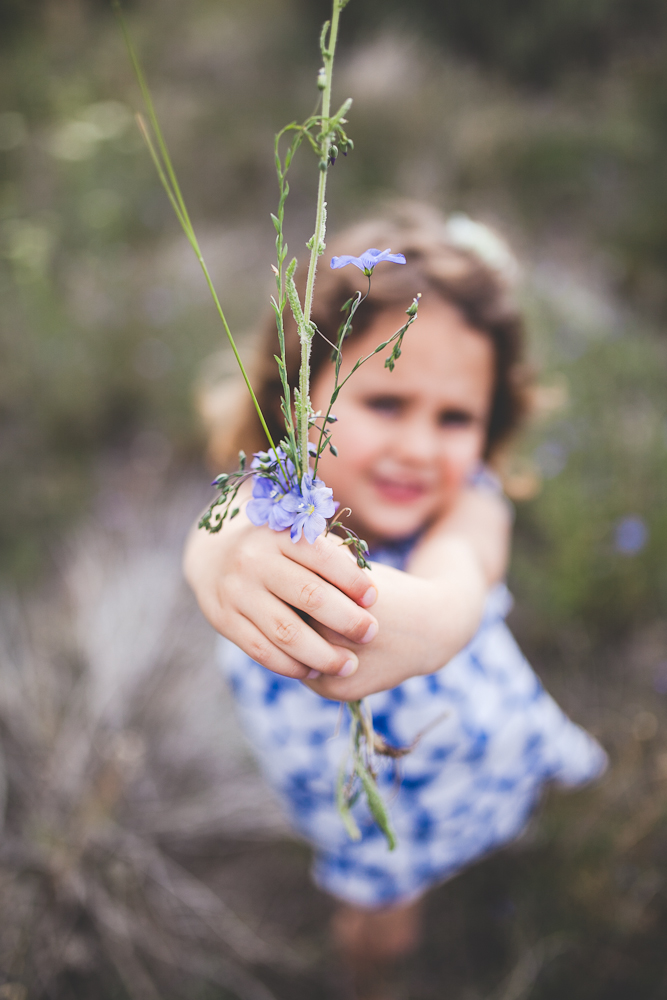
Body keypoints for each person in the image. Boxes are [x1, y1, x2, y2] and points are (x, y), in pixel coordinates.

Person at [184, 203, 607, 1000]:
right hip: (367, 801)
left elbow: (457, 582)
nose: (418, 448)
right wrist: (220, 562)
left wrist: (444, 619)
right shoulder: (273, 501)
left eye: (454, 418)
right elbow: (218, 539)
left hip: (489, 745)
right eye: (385, 403)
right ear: (297, 393)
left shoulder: (470, 504)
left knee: (554, 816)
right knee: (384, 926)